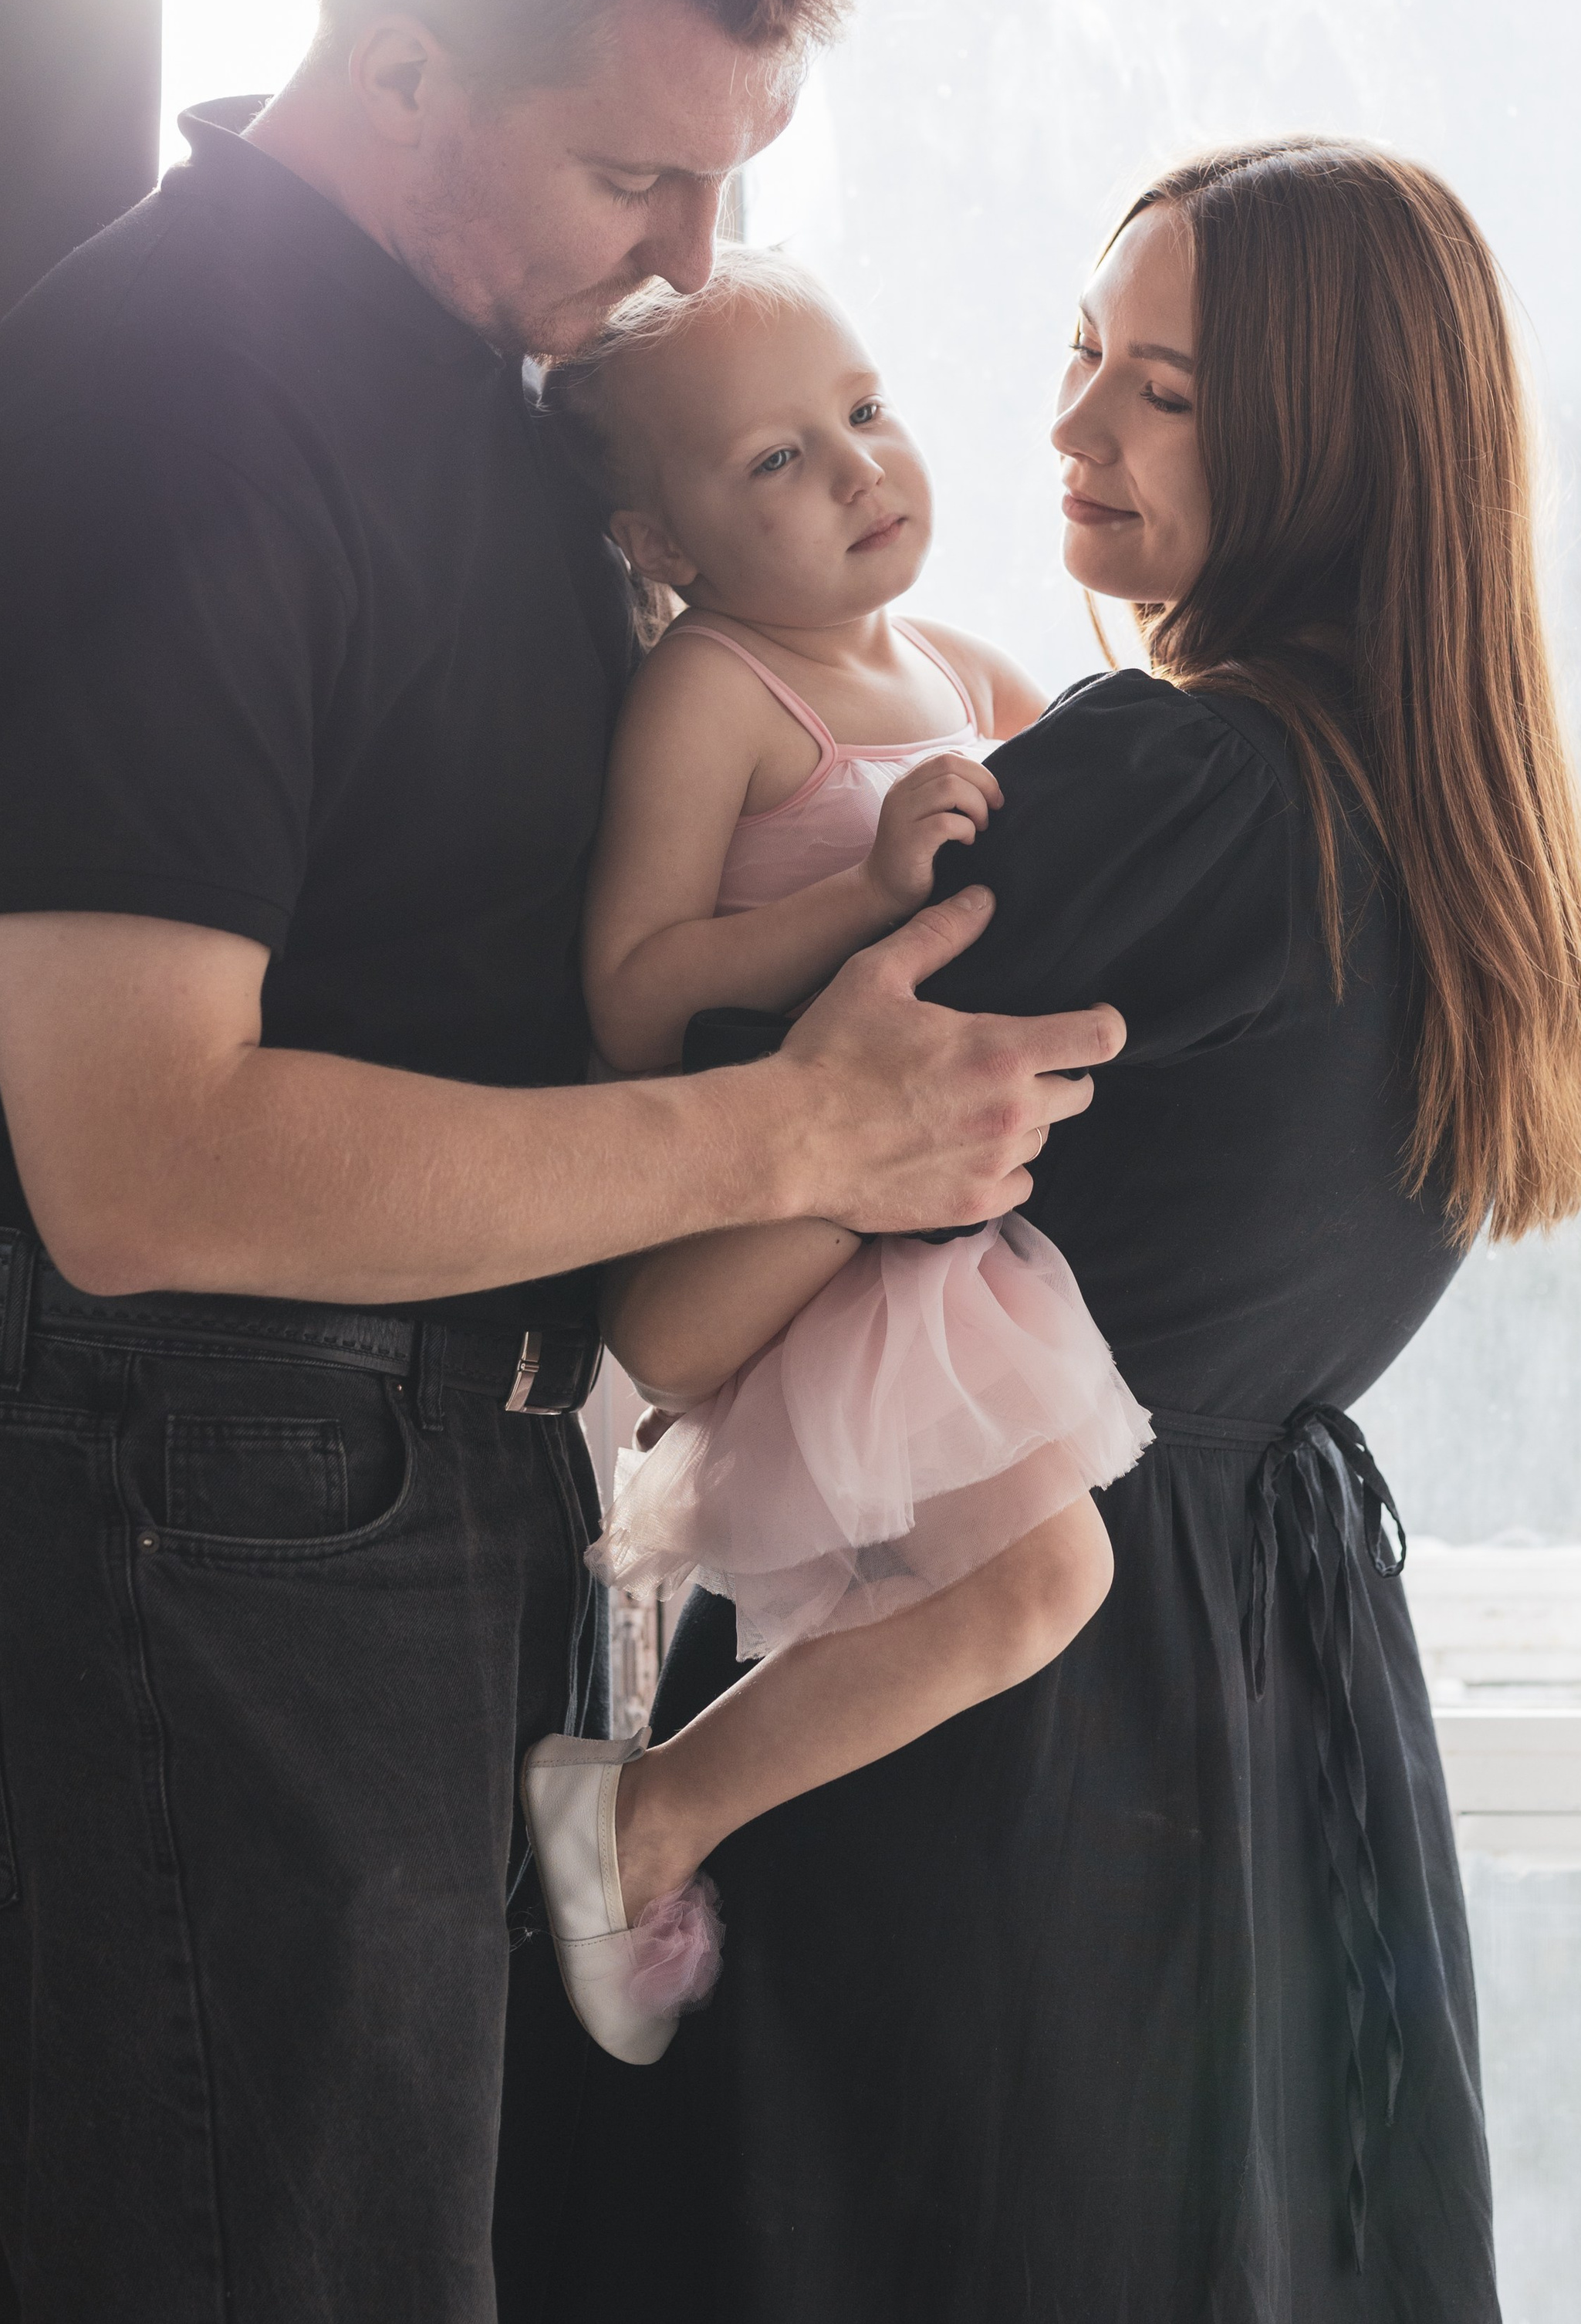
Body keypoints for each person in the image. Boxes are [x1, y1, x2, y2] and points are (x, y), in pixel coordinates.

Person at [0, 0, 1120, 2324]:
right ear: (405, 61)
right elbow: (140, 1159)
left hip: (387, 1511)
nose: (697, 255)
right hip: (185, 1521)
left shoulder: (505, 399)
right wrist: (800, 1139)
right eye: (632, 171)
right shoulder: (175, 405)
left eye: (731, 180)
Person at [579, 138, 1581, 2324]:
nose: (1065, 428)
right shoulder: (1449, 832)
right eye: (1082, 353)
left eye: (1162, 389)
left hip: (996, 1745)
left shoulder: (1179, 788)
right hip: (1258, 1720)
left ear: (1325, 443)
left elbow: (682, 1322)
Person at [512, 252, 1150, 2062]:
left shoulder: (957, 666)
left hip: (937, 1236)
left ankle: (693, 1861)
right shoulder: (715, 693)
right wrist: (863, 897)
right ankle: (637, 1816)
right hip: (812, 1259)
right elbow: (633, 991)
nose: (859, 468)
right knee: (1044, 1580)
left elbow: (1092, 829)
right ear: (664, 543)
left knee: (1007, 1597)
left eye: (862, 412)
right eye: (774, 461)